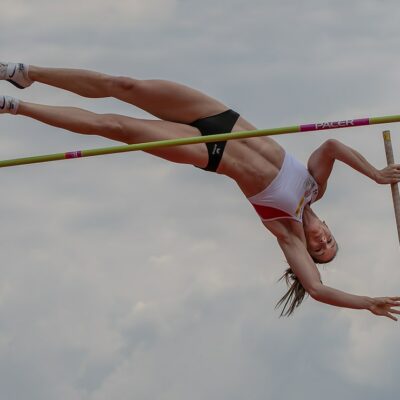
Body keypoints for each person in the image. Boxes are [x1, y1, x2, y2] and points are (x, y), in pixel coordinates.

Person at [1, 62, 400, 320]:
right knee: (123, 83)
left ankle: (14, 105)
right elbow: (331, 147)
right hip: (220, 116)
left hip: (209, 151)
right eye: (331, 240)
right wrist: (376, 174)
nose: (324, 240)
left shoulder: (287, 231)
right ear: (330, 226)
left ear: (308, 250)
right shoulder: (315, 187)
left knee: (114, 127)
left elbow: (316, 288)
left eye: (321, 249)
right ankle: (24, 71)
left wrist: (367, 302)